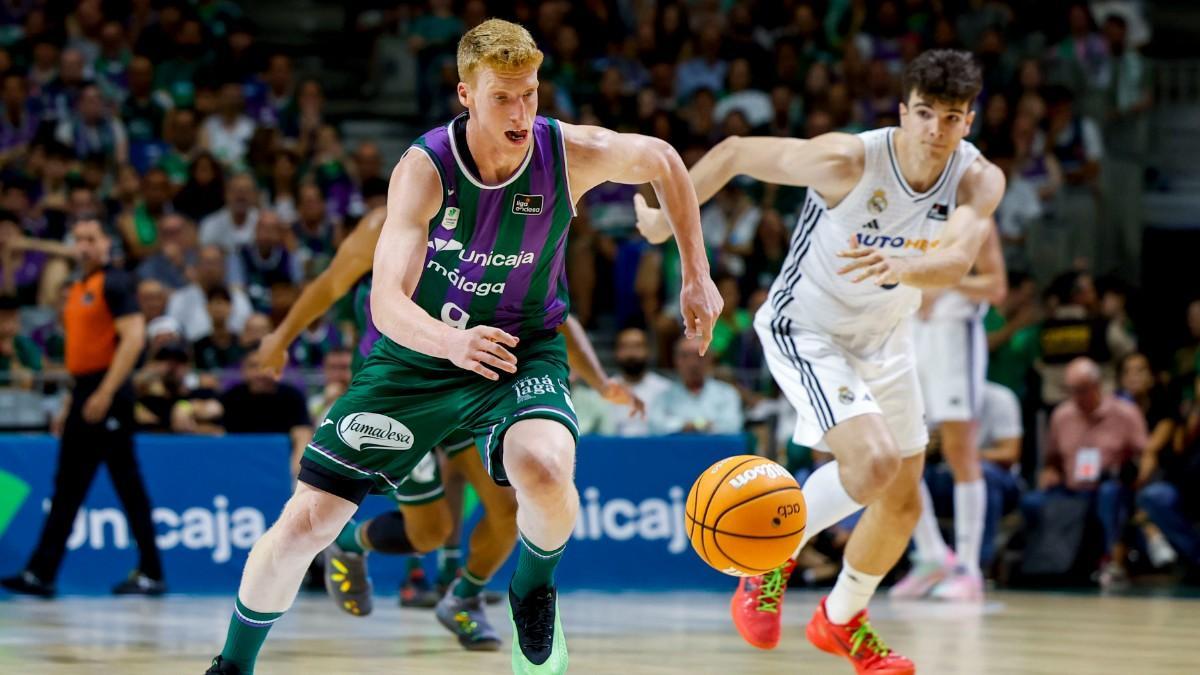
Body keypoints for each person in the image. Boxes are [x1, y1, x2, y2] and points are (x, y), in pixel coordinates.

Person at [205, 19, 719, 675]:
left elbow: (665, 161)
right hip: (420, 353)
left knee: (543, 467)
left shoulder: (568, 155)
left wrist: (696, 274)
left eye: (529, 93)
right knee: (308, 520)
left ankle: (531, 589)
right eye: (502, 96)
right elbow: (386, 301)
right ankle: (232, 665)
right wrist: (450, 341)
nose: (520, 110)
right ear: (465, 95)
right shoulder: (423, 170)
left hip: (519, 349)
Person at [636, 49, 1004, 673]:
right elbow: (732, 152)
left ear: (969, 120)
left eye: (951, 117)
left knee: (903, 503)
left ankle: (840, 620)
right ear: (902, 112)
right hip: (806, 328)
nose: (936, 131)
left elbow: (960, 261)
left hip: (886, 338)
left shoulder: (977, 179)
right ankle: (775, 551)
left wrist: (905, 266)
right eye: (924, 114)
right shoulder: (847, 159)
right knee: (874, 463)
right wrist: (660, 222)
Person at [1, 219, 165, 597]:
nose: (83, 246)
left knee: (128, 485)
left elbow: (134, 339)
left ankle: (152, 572)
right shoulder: (78, 287)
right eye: (78, 239)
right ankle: (41, 573)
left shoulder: (116, 282)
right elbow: (82, 354)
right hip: (85, 393)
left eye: (91, 239)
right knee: (67, 488)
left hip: (108, 391)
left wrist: (106, 392)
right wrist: (72, 402)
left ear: (107, 243)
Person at [893, 225, 1007, 601]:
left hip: (954, 331)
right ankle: (931, 555)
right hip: (910, 330)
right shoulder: (906, 208)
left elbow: (996, 286)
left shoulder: (974, 218)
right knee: (900, 450)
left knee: (960, 451)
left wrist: (946, 281)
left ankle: (968, 568)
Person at [1020, 357, 1147, 589]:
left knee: (1110, 494)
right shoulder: (1062, 415)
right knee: (1032, 501)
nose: (1075, 397)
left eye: (1081, 390)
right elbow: (1053, 460)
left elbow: (1145, 455)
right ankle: (1039, 566)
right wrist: (1050, 472)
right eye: (1070, 391)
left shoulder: (1125, 413)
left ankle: (1111, 564)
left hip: (1110, 487)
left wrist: (1137, 479)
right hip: (1071, 489)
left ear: (1096, 386)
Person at [649, 335, 744, 434]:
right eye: (685, 356)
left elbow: (733, 425)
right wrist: (700, 425)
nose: (693, 363)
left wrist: (688, 425)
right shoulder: (663, 396)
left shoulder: (727, 393)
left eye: (700, 356)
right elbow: (655, 426)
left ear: (710, 360)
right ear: (675, 360)